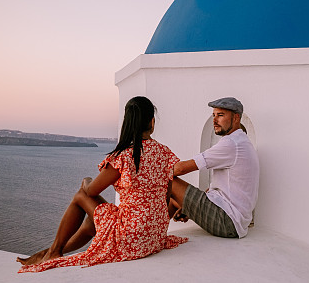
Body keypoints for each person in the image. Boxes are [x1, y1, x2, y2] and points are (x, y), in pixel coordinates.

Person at [17, 96, 187, 273]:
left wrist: (86, 181)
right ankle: (49, 251)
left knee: (80, 196)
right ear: (152, 122)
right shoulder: (165, 154)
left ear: (127, 123)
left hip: (131, 238)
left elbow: (91, 191)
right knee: (95, 221)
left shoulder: (123, 156)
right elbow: (165, 198)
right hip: (154, 237)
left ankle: (54, 251)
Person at [168, 97, 259, 239]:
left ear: (236, 118)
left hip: (228, 221)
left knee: (170, 182)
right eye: (214, 115)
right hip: (231, 218)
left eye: (220, 115)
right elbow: (221, 189)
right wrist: (188, 206)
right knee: (175, 199)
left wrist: (153, 171)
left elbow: (180, 169)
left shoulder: (231, 144)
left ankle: (147, 235)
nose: (215, 121)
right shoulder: (241, 141)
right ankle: (153, 234)